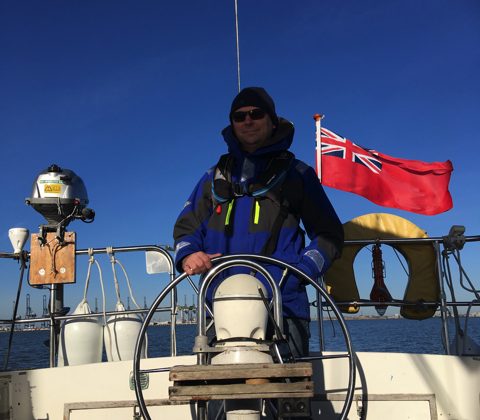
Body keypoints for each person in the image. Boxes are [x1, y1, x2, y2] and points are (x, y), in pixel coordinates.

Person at [173, 87, 343, 357]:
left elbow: (329, 234)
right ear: (232, 124)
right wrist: (189, 254)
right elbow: (186, 228)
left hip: (284, 307)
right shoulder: (213, 178)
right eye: (239, 116)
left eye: (256, 113)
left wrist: (303, 270)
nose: (248, 120)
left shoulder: (298, 174)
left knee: (288, 384)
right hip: (217, 309)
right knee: (216, 384)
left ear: (272, 121)